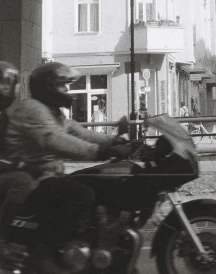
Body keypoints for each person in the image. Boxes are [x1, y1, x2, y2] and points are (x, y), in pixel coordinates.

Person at [5, 62, 135, 274]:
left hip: (46, 175)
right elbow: (54, 139)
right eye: (61, 86)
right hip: (33, 175)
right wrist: (100, 151)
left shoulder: (52, 112)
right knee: (80, 194)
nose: (67, 90)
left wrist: (114, 141)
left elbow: (77, 132)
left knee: (92, 187)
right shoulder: (33, 109)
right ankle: (43, 252)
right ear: (46, 87)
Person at [0, 62, 33, 247]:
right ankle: (2, 236)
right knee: (21, 181)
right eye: (5, 84)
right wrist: (16, 164)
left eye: (11, 85)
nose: (9, 89)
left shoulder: (3, 115)